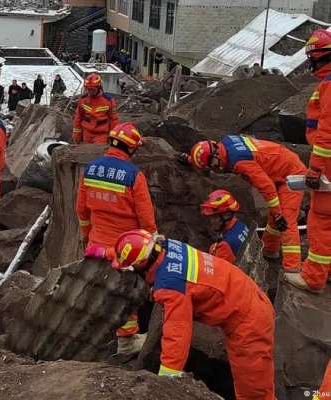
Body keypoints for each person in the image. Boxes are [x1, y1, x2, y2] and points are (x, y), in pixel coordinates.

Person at [111, 229, 275, 400]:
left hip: (249, 320)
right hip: (246, 297)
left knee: (254, 393)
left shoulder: (171, 286)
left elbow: (177, 333)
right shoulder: (168, 247)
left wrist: (166, 378)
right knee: (255, 385)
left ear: (140, 265)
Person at [76, 122, 157, 355]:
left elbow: (82, 210)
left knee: (100, 289)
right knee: (125, 294)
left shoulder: (91, 169)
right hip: (126, 249)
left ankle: (97, 335)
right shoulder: (133, 175)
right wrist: (153, 244)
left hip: (96, 245)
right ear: (131, 149)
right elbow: (146, 219)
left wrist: (86, 236)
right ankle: (127, 343)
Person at [183, 135, 305, 273]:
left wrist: (277, 213)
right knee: (275, 216)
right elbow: (209, 159)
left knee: (285, 220)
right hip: (281, 164)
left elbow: (267, 187)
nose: (215, 170)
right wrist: (190, 160)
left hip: (291, 174)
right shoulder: (225, 145)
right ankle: (269, 251)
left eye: (213, 166)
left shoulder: (240, 162)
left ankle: (293, 268)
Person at [285, 29, 331, 293]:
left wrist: (315, 168)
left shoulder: (329, 86)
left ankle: (314, 278)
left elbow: (326, 134)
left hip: (328, 166)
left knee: (321, 221)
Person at [200, 190, 251, 264]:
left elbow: (219, 273)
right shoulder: (241, 226)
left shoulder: (224, 246)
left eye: (214, 217)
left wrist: (214, 251)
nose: (211, 221)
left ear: (227, 215)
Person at [72, 73, 119, 144]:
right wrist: (76, 134)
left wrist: (114, 136)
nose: (90, 91)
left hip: (101, 134)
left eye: (92, 89)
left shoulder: (108, 100)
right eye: (88, 89)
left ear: (99, 87)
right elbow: (78, 117)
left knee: (98, 152)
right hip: (87, 133)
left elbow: (114, 119)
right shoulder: (83, 100)